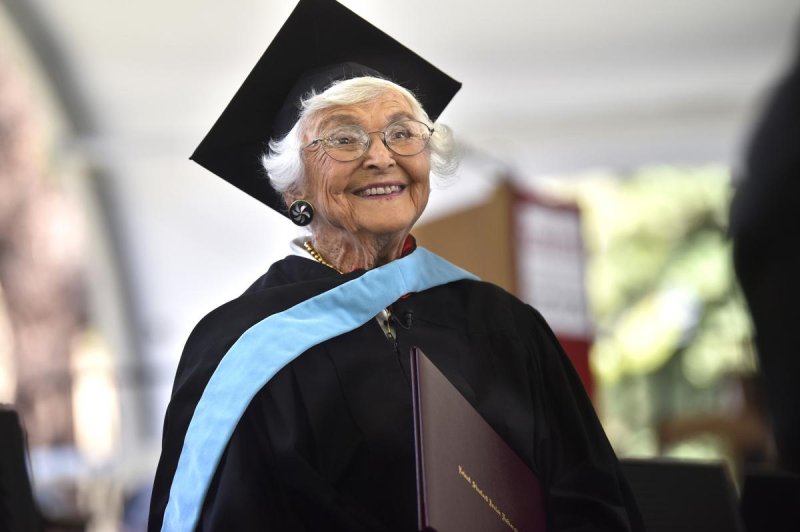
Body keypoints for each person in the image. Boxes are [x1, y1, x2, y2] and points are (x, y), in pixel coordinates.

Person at [148, 1, 643, 530]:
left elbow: (593, 500)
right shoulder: (242, 346)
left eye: (403, 132)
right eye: (343, 138)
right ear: (294, 186)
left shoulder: (505, 326)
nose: (381, 156)